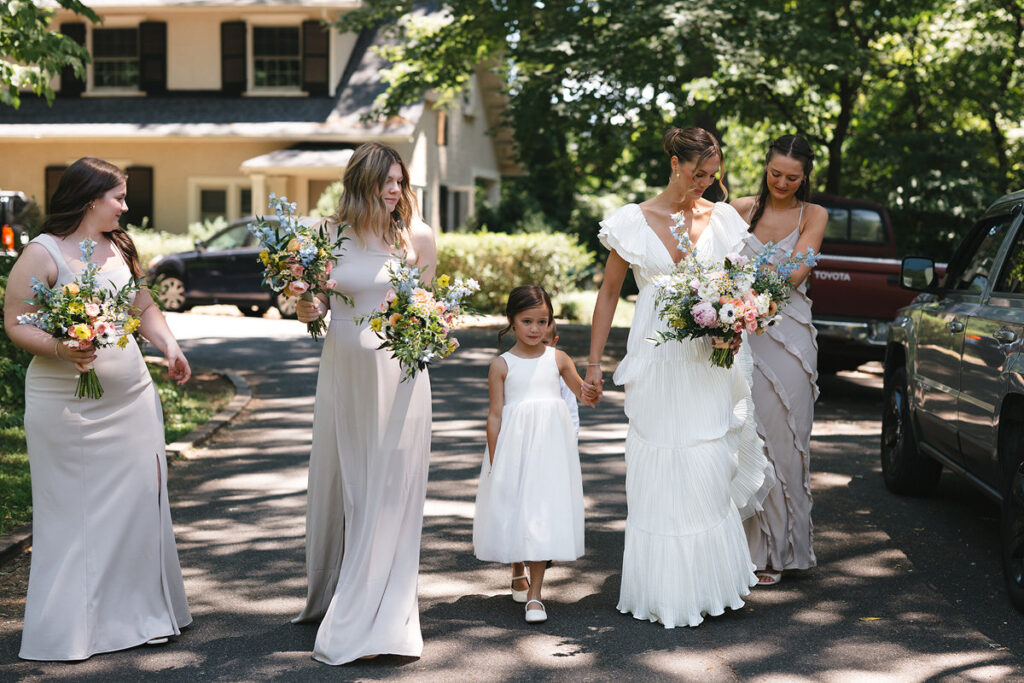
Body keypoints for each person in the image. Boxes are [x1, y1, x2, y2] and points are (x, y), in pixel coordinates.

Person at [2, 156, 192, 661]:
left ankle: (138, 616)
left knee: (136, 503)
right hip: (64, 405)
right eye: (119, 198)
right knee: (74, 512)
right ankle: (74, 627)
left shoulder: (122, 247)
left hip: (131, 399)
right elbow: (17, 323)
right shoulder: (43, 253)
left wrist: (169, 346)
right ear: (91, 199)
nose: (126, 207)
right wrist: (62, 347)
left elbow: (142, 307)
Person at [584, 126, 773, 628]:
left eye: (713, 175)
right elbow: (607, 296)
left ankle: (710, 586)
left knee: (709, 460)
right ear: (674, 163)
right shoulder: (632, 221)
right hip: (656, 362)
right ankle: (663, 589)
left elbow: (740, 289)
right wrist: (594, 362)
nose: (706, 184)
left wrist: (737, 322)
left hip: (706, 363)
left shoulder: (725, 220)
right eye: (697, 173)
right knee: (658, 464)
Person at [291, 142, 437, 664]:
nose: (396, 190)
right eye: (386, 182)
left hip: (401, 375)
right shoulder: (328, 235)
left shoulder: (417, 237)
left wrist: (432, 326)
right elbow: (313, 311)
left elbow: (425, 308)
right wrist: (306, 304)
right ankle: (344, 590)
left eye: (400, 181)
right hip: (345, 374)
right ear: (362, 183)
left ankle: (384, 605)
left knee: (390, 487)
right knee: (352, 482)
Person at [731, 134, 827, 586]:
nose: (782, 183)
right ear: (764, 167)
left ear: (805, 176)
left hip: (789, 335)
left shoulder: (814, 214)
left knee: (786, 439)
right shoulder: (737, 209)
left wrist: (748, 292)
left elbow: (796, 273)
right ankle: (741, 549)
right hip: (740, 335)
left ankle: (781, 552)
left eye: (792, 177)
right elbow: (715, 265)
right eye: (774, 174)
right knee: (742, 436)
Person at [473, 285, 589, 623]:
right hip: (513, 446)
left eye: (543, 321)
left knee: (540, 511)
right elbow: (495, 415)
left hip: (550, 450)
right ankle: (516, 567)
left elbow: (583, 393)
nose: (536, 329)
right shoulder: (501, 365)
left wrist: (593, 384)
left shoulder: (559, 359)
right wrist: (495, 460)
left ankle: (535, 595)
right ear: (511, 321)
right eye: (527, 321)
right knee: (515, 508)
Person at [543, 320, 580, 440]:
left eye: (544, 342)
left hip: (553, 437)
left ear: (554, 342)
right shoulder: (516, 369)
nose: (537, 347)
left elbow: (571, 412)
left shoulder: (561, 374)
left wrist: (571, 441)